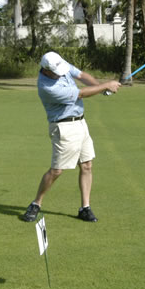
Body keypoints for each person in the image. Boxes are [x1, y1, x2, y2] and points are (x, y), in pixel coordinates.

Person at [22, 52, 121, 223]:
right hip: (63, 127)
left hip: (81, 123)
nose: (62, 72)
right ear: (46, 70)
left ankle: (85, 208)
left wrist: (100, 86)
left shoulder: (60, 64)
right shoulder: (47, 88)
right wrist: (105, 86)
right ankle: (36, 204)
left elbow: (81, 75)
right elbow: (81, 93)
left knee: (87, 165)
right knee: (57, 171)